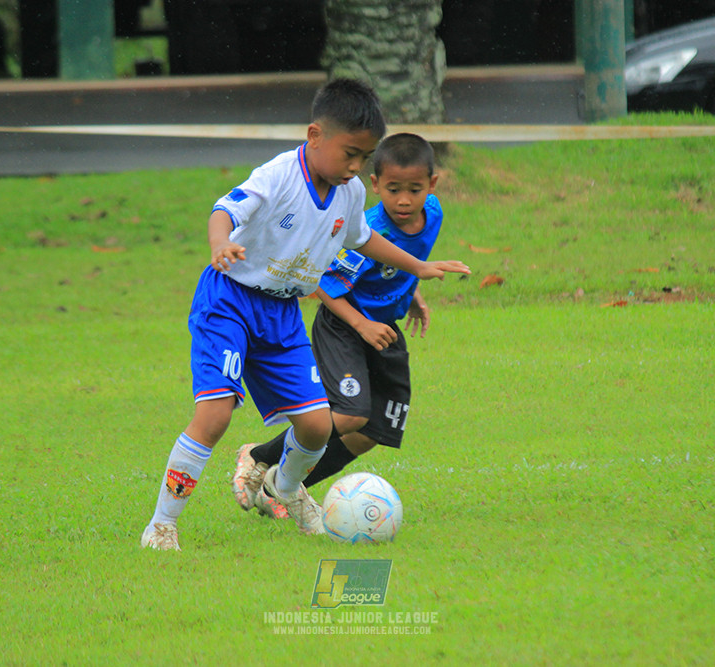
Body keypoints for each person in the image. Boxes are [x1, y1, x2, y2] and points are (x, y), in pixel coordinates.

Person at [140, 80, 470, 550]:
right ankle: (161, 524)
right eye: (349, 153)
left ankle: (289, 490)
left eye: (364, 157)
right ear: (315, 135)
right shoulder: (278, 176)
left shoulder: (350, 191)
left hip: (283, 313)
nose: (356, 167)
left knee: (317, 424)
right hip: (230, 300)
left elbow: (362, 239)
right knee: (214, 416)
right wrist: (221, 243)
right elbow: (223, 211)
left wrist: (417, 266)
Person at [231, 132, 444, 521]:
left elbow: (399, 266)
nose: (403, 200)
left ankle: (280, 490)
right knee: (349, 415)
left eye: (414, 190)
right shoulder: (369, 229)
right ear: (375, 184)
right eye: (393, 189)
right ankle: (258, 456)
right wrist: (361, 324)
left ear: (431, 186)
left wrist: (411, 296)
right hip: (345, 325)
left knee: (369, 434)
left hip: (384, 327)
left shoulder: (433, 215)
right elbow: (325, 286)